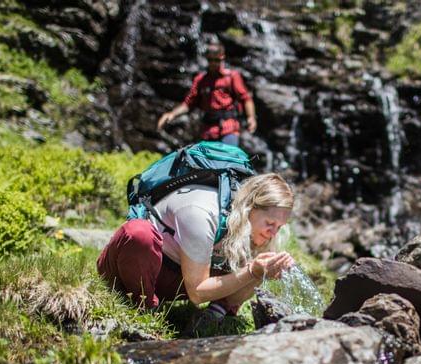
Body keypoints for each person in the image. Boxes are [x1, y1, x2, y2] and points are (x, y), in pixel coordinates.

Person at [97, 173, 294, 316]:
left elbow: (235, 292)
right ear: (250, 207)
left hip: (177, 277)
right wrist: (251, 271)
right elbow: (198, 294)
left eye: (279, 226)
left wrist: (260, 272)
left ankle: (216, 314)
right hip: (132, 269)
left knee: (254, 262)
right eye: (270, 224)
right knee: (139, 234)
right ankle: (144, 309)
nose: (273, 233)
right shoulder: (201, 212)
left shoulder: (243, 223)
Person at [157, 42, 257, 146]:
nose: (214, 63)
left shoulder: (231, 77)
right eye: (210, 60)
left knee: (228, 159)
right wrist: (172, 114)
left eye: (217, 60)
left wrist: (251, 117)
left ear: (222, 58)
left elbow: (246, 98)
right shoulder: (200, 80)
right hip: (207, 131)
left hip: (228, 128)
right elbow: (188, 104)